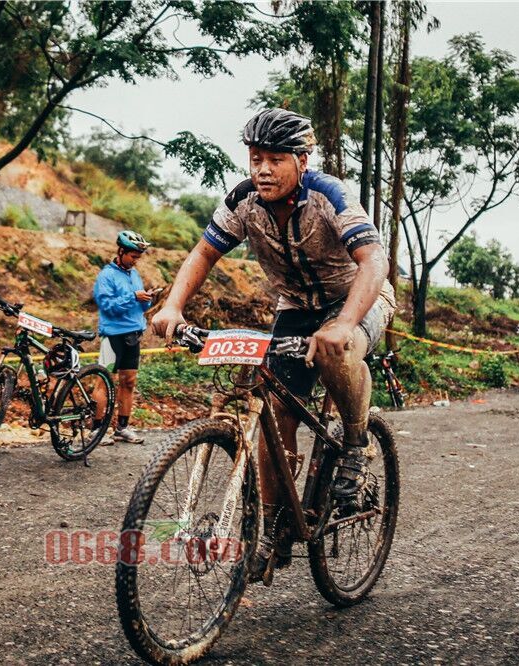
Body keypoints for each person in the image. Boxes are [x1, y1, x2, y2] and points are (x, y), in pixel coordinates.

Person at [151, 108, 396, 581]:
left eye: (276, 160)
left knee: (337, 349)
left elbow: (373, 262)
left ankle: (355, 441)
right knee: (275, 410)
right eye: (256, 158)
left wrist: (344, 323)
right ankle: (274, 529)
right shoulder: (243, 200)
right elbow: (204, 252)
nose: (263, 170)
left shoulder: (330, 196)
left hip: (357, 297)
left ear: (302, 161)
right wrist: (172, 307)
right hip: (296, 305)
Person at [92, 230, 159, 444]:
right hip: (113, 335)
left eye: (138, 257)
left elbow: (140, 306)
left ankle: (122, 428)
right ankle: (96, 429)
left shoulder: (134, 274)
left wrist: (147, 298)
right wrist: (132, 297)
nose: (135, 260)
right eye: (133, 256)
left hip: (133, 334)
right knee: (104, 381)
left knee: (128, 382)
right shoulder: (106, 276)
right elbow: (107, 306)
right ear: (121, 251)